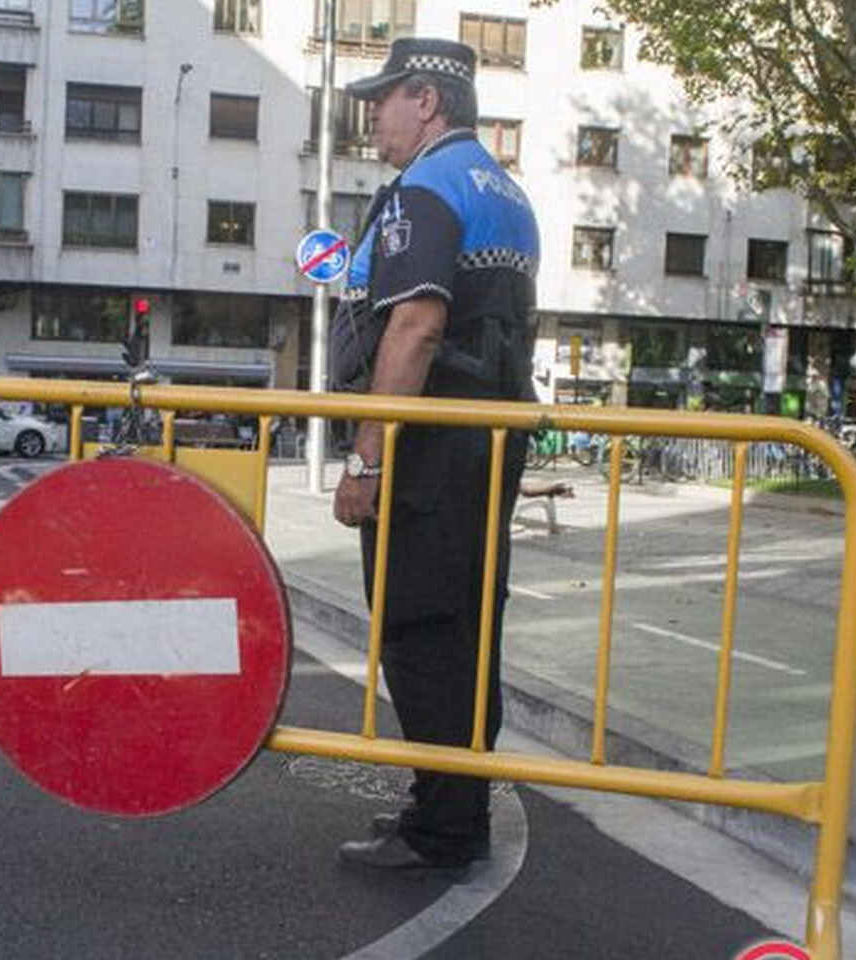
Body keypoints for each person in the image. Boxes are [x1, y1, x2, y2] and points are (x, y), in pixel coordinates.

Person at [328, 37, 540, 872]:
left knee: (419, 626)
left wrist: (368, 459)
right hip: (486, 438)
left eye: (382, 98)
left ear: (427, 99)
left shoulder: (429, 186)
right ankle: (447, 802)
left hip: (434, 447)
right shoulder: (502, 185)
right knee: (467, 623)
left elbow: (415, 325)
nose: (371, 114)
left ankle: (446, 829)